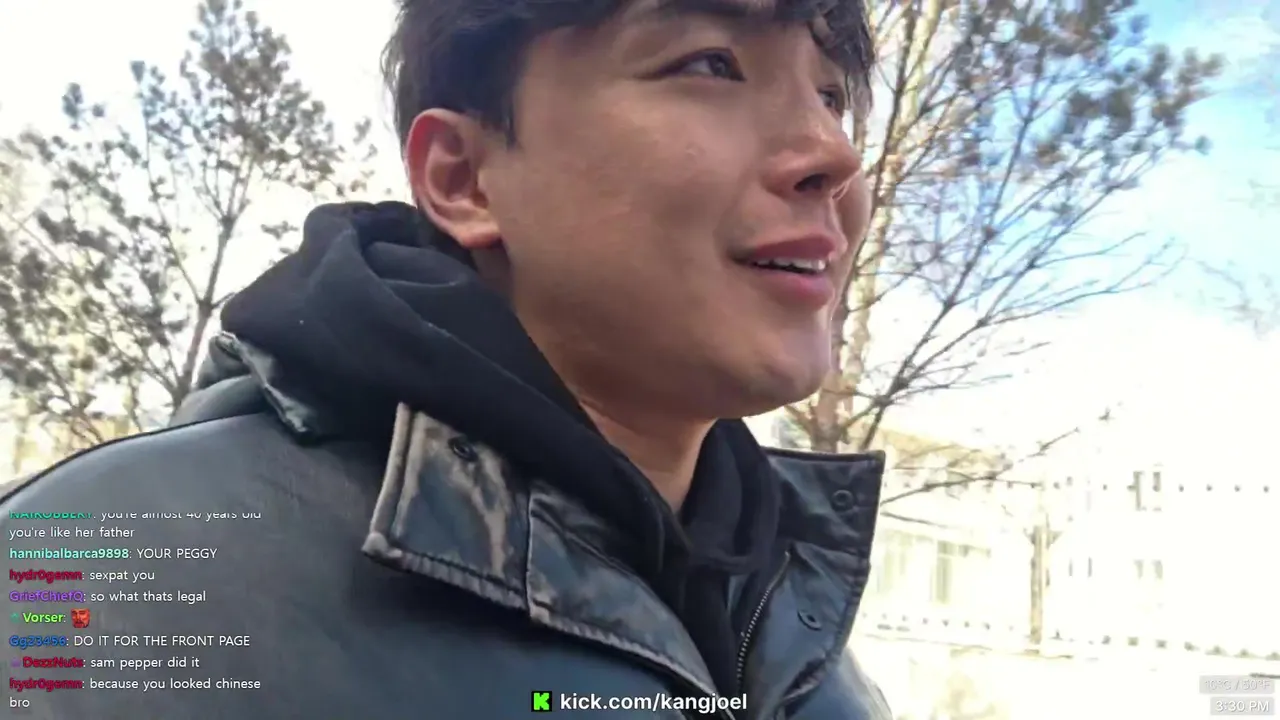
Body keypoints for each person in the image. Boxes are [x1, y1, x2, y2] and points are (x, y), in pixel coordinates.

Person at [0, 0, 890, 716]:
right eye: (711, 64)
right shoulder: (91, 580)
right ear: (462, 178)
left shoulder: (811, 652)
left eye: (832, 96)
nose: (834, 154)